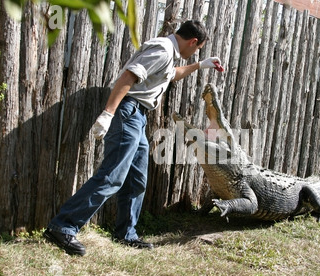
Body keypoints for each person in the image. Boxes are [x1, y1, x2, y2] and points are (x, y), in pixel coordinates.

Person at [43, 20, 222, 256]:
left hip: (138, 117)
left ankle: (126, 233)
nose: (194, 54)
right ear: (193, 42)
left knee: (136, 178)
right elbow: (128, 76)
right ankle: (63, 226)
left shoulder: (169, 54)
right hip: (128, 112)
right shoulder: (162, 49)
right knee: (111, 176)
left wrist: (200, 64)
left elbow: (171, 75)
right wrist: (108, 114)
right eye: (197, 50)